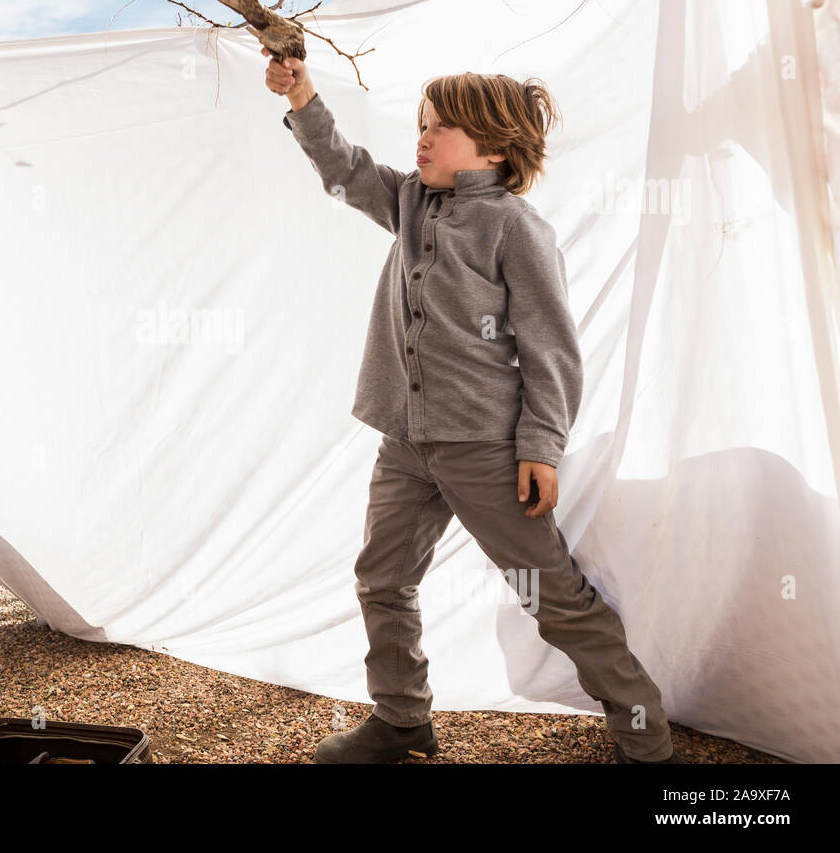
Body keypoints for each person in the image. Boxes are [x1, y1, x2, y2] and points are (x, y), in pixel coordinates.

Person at [264, 49, 681, 764]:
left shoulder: (516, 228)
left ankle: (647, 742)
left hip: (487, 449)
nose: (422, 140)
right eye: (421, 126)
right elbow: (345, 170)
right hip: (406, 441)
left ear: (495, 146)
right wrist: (303, 96)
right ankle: (401, 721)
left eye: (441, 129)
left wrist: (540, 447)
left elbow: (551, 346)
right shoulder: (410, 202)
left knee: (551, 595)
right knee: (382, 578)